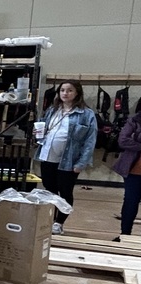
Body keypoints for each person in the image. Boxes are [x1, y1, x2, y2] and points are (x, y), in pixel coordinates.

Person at [34, 80, 97, 235]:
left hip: (69, 161)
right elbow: (45, 128)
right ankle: (48, 220)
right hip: (48, 156)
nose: (65, 93)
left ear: (77, 93)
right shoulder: (52, 110)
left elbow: (90, 141)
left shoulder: (86, 114)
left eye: (69, 90)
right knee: (49, 190)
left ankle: (59, 223)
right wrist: (38, 134)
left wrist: (81, 163)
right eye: (62, 90)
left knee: (65, 191)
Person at [114, 108, 141, 240]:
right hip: (134, 171)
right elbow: (123, 140)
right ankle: (124, 235)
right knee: (130, 202)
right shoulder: (134, 121)